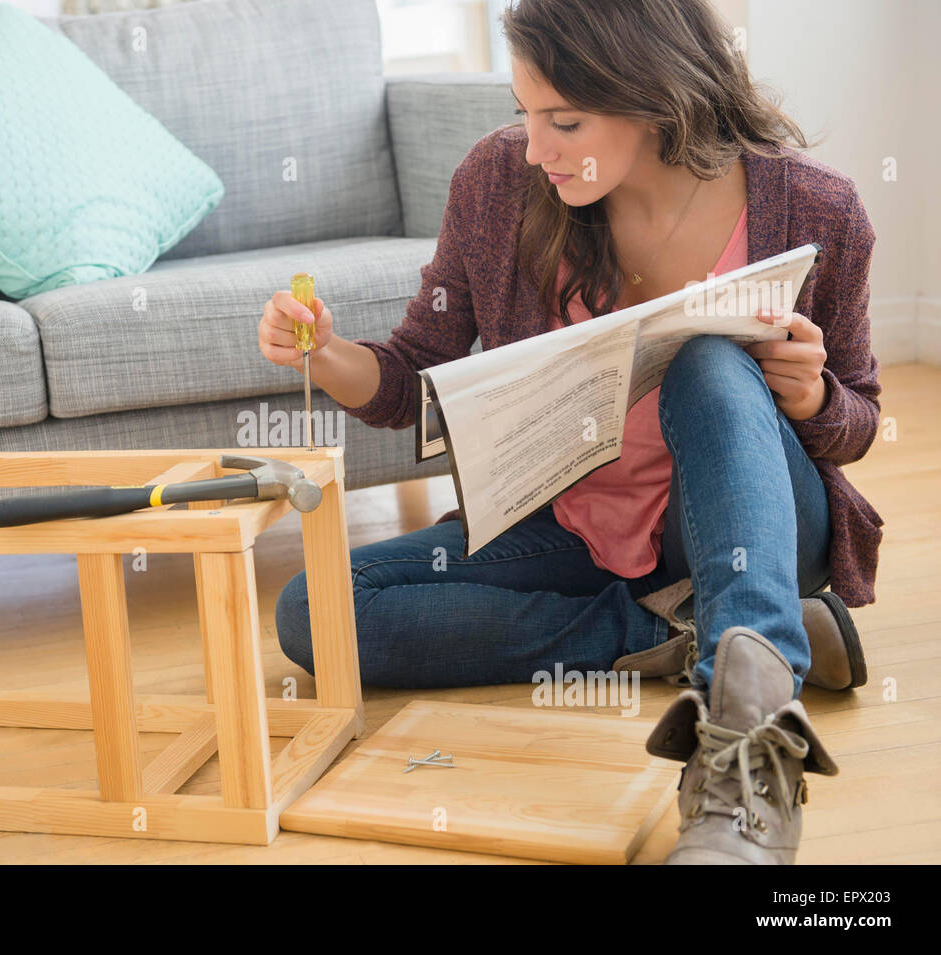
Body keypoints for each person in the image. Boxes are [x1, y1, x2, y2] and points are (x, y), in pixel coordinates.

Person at [258, 0, 884, 865]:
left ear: (654, 94)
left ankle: (745, 762)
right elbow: (412, 375)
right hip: (574, 529)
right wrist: (325, 352)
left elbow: (859, 420)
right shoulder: (496, 186)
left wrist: (813, 396)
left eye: (563, 121)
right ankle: (693, 637)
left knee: (706, 362)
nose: (533, 146)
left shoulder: (818, 208)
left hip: (753, 526)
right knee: (315, 613)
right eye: (524, 113)